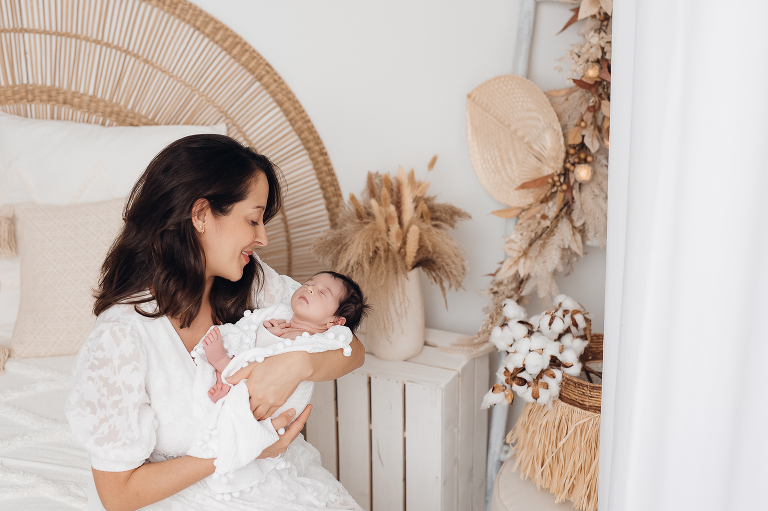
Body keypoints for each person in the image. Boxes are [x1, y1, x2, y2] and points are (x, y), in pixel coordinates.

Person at [64, 134, 365, 511]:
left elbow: (351, 348)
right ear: (201, 214)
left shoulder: (250, 282)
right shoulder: (121, 336)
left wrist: (299, 362)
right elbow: (118, 494)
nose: (263, 238)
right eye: (253, 220)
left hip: (281, 480)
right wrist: (246, 446)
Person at [202, 271, 369, 403]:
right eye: (308, 283)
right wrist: (266, 333)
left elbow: (276, 364)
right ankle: (226, 391)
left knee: (246, 380)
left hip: (268, 392)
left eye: (322, 293)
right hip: (251, 378)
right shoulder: (281, 315)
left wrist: (270, 338)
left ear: (335, 321)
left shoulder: (318, 342)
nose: (309, 288)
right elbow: (254, 345)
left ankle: (221, 363)